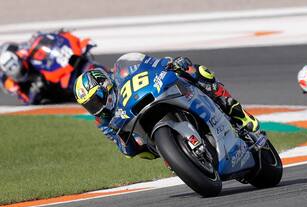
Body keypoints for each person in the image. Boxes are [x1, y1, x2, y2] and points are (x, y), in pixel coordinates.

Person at [74, 53, 260, 159]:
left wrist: (169, 64)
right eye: (89, 105)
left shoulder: (122, 72)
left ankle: (238, 114)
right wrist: (124, 140)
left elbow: (150, 63)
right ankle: (179, 159)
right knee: (142, 151)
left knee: (197, 71)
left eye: (96, 99)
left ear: (105, 86)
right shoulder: (102, 120)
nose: (95, 107)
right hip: (147, 133)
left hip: (159, 94)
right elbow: (126, 149)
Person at [0, 30, 91, 104]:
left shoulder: (25, 52)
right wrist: (35, 90)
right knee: (42, 99)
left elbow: (39, 42)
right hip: (46, 91)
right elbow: (26, 99)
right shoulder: (8, 81)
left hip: (50, 70)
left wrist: (54, 37)